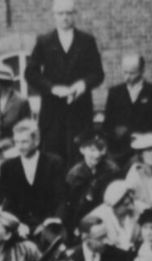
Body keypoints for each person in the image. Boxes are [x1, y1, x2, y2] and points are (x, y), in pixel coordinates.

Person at [24, 0, 104, 165]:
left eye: (68, 13)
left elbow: (97, 73)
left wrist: (82, 85)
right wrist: (52, 88)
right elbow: (30, 73)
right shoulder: (44, 41)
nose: (65, 17)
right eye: (60, 14)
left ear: (74, 15)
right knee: (53, 157)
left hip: (80, 109)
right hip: (53, 111)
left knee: (80, 156)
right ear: (54, 16)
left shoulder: (87, 41)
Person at [0, 119, 67, 231]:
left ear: (36, 141)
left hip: (48, 224)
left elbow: (61, 198)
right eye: (17, 142)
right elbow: (7, 202)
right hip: (19, 226)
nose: (19, 146)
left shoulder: (54, 163)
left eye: (24, 142)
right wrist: (17, 224)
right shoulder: (7, 167)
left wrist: (54, 220)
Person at [103, 54, 152, 166]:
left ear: (142, 71)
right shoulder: (114, 92)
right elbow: (107, 124)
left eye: (132, 73)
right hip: (119, 148)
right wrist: (117, 134)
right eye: (125, 72)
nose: (127, 77)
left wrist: (144, 137)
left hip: (146, 148)